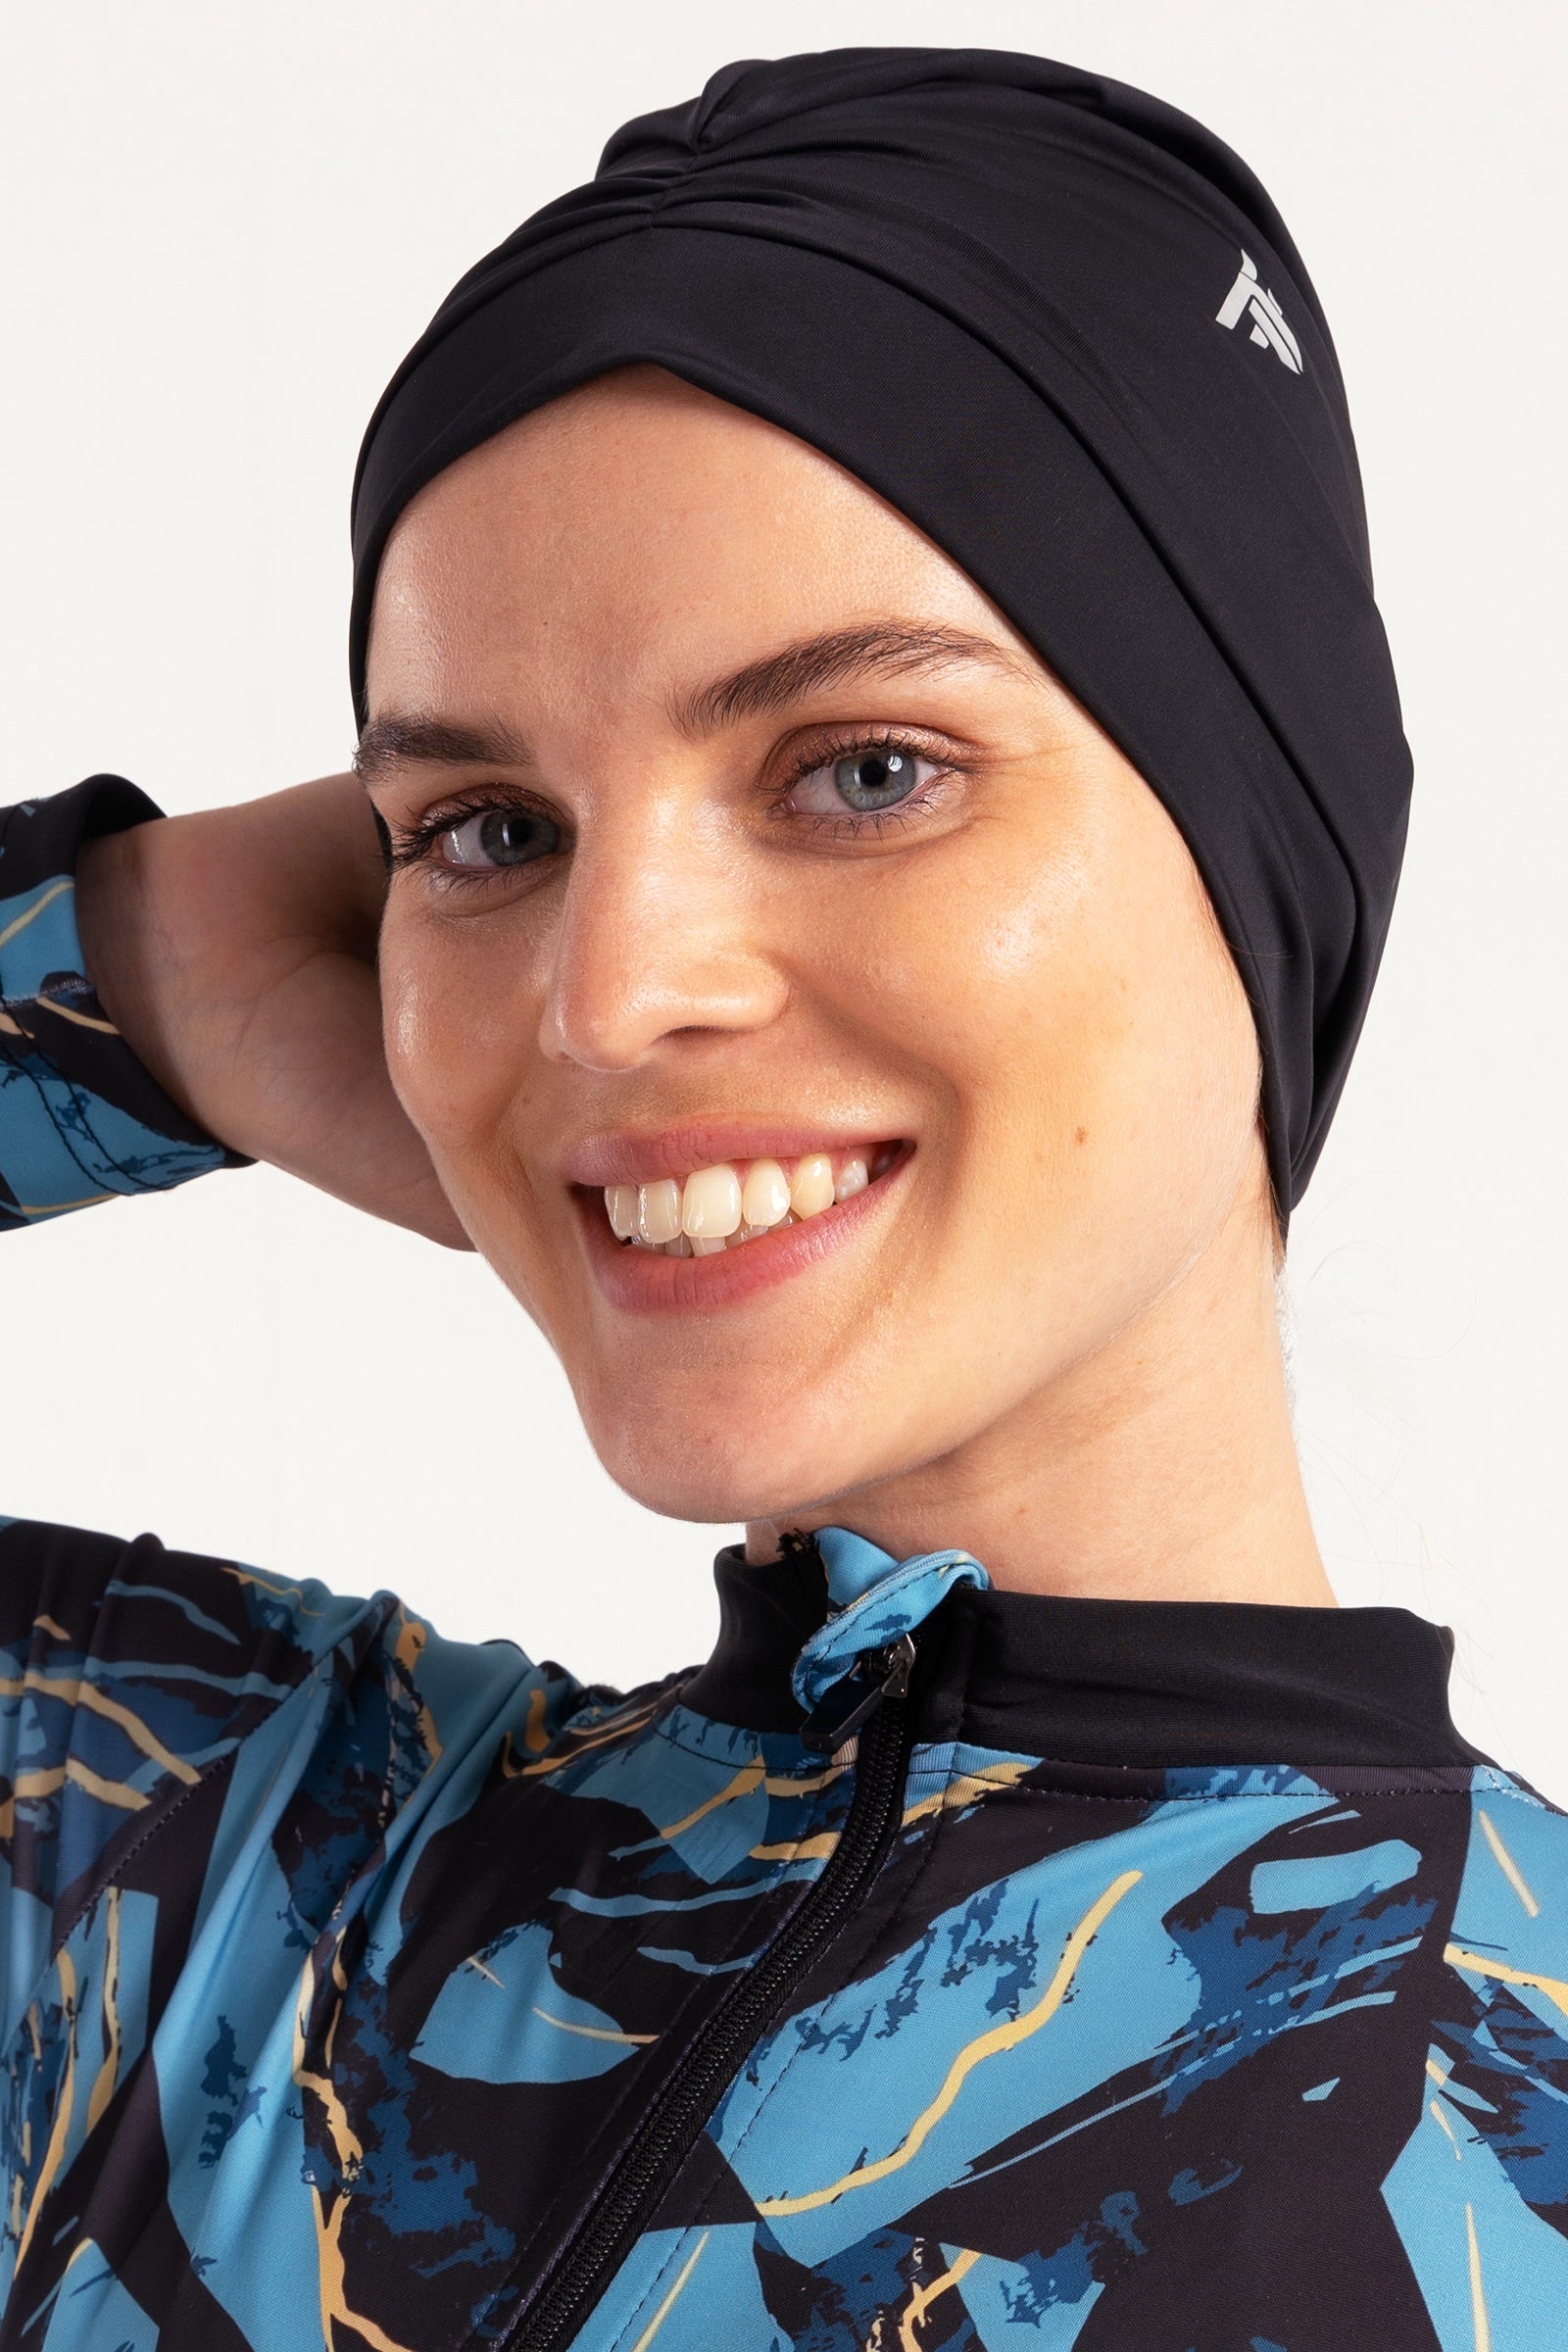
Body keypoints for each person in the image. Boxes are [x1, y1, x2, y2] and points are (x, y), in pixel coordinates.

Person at [2, 45, 1564, 2352]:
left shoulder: (1515, 2137)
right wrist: (148, 965)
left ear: (1260, 856)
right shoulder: (199, 1874)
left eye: (863, 771)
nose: (602, 993)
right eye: (488, 831)